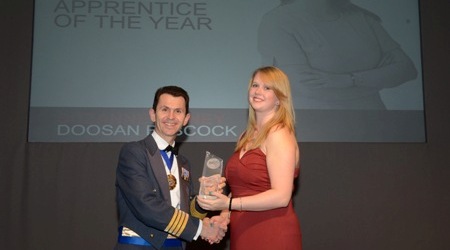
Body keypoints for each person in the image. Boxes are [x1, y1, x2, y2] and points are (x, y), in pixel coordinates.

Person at [197, 66, 302, 249]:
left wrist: (229, 203)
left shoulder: (279, 134)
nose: (258, 91)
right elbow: (241, 190)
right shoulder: (246, 135)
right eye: (255, 85)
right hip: (243, 231)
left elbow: (281, 196)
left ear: (279, 98)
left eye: (267, 88)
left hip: (272, 233)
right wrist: (224, 215)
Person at [114, 85, 226, 250]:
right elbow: (146, 205)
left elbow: (186, 211)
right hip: (140, 246)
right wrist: (201, 229)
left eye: (178, 111)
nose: (171, 117)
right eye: (164, 109)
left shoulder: (183, 162)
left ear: (186, 119)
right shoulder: (134, 152)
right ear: (153, 114)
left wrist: (205, 197)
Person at [258, 0, 418, 109]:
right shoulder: (277, 21)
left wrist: (347, 80)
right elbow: (305, 87)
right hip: (314, 128)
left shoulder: (361, 17)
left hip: (377, 123)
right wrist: (379, 76)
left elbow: (406, 69)